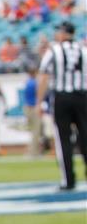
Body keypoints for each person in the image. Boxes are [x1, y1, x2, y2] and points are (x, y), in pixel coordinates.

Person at [38, 20, 86, 191]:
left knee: (63, 139)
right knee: (85, 137)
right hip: (82, 96)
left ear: (64, 33)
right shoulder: (83, 49)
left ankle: (68, 180)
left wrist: (38, 102)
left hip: (62, 97)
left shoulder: (54, 50)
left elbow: (43, 75)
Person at [22, 67, 43, 158]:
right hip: (34, 107)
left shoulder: (27, 82)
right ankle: (34, 152)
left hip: (27, 107)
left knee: (33, 131)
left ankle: (32, 151)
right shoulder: (35, 83)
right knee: (36, 131)